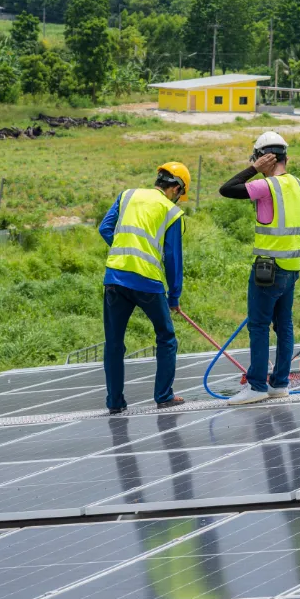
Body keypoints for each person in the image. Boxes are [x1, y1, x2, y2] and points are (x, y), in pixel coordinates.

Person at [218, 131, 300, 406]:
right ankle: (280, 383)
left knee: (258, 325)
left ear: (264, 158)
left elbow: (227, 189)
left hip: (268, 269)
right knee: (285, 326)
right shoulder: (298, 184)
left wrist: (253, 170)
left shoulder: (267, 186)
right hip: (292, 266)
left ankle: (257, 386)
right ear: (286, 157)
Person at [98, 162, 189, 413]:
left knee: (114, 343)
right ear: (175, 189)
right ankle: (163, 395)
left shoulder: (127, 195)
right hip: (148, 281)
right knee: (166, 338)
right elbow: (172, 259)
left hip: (115, 277)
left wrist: (123, 249)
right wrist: (174, 296)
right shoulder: (171, 212)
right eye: (180, 195)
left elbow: (105, 228)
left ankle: (115, 402)